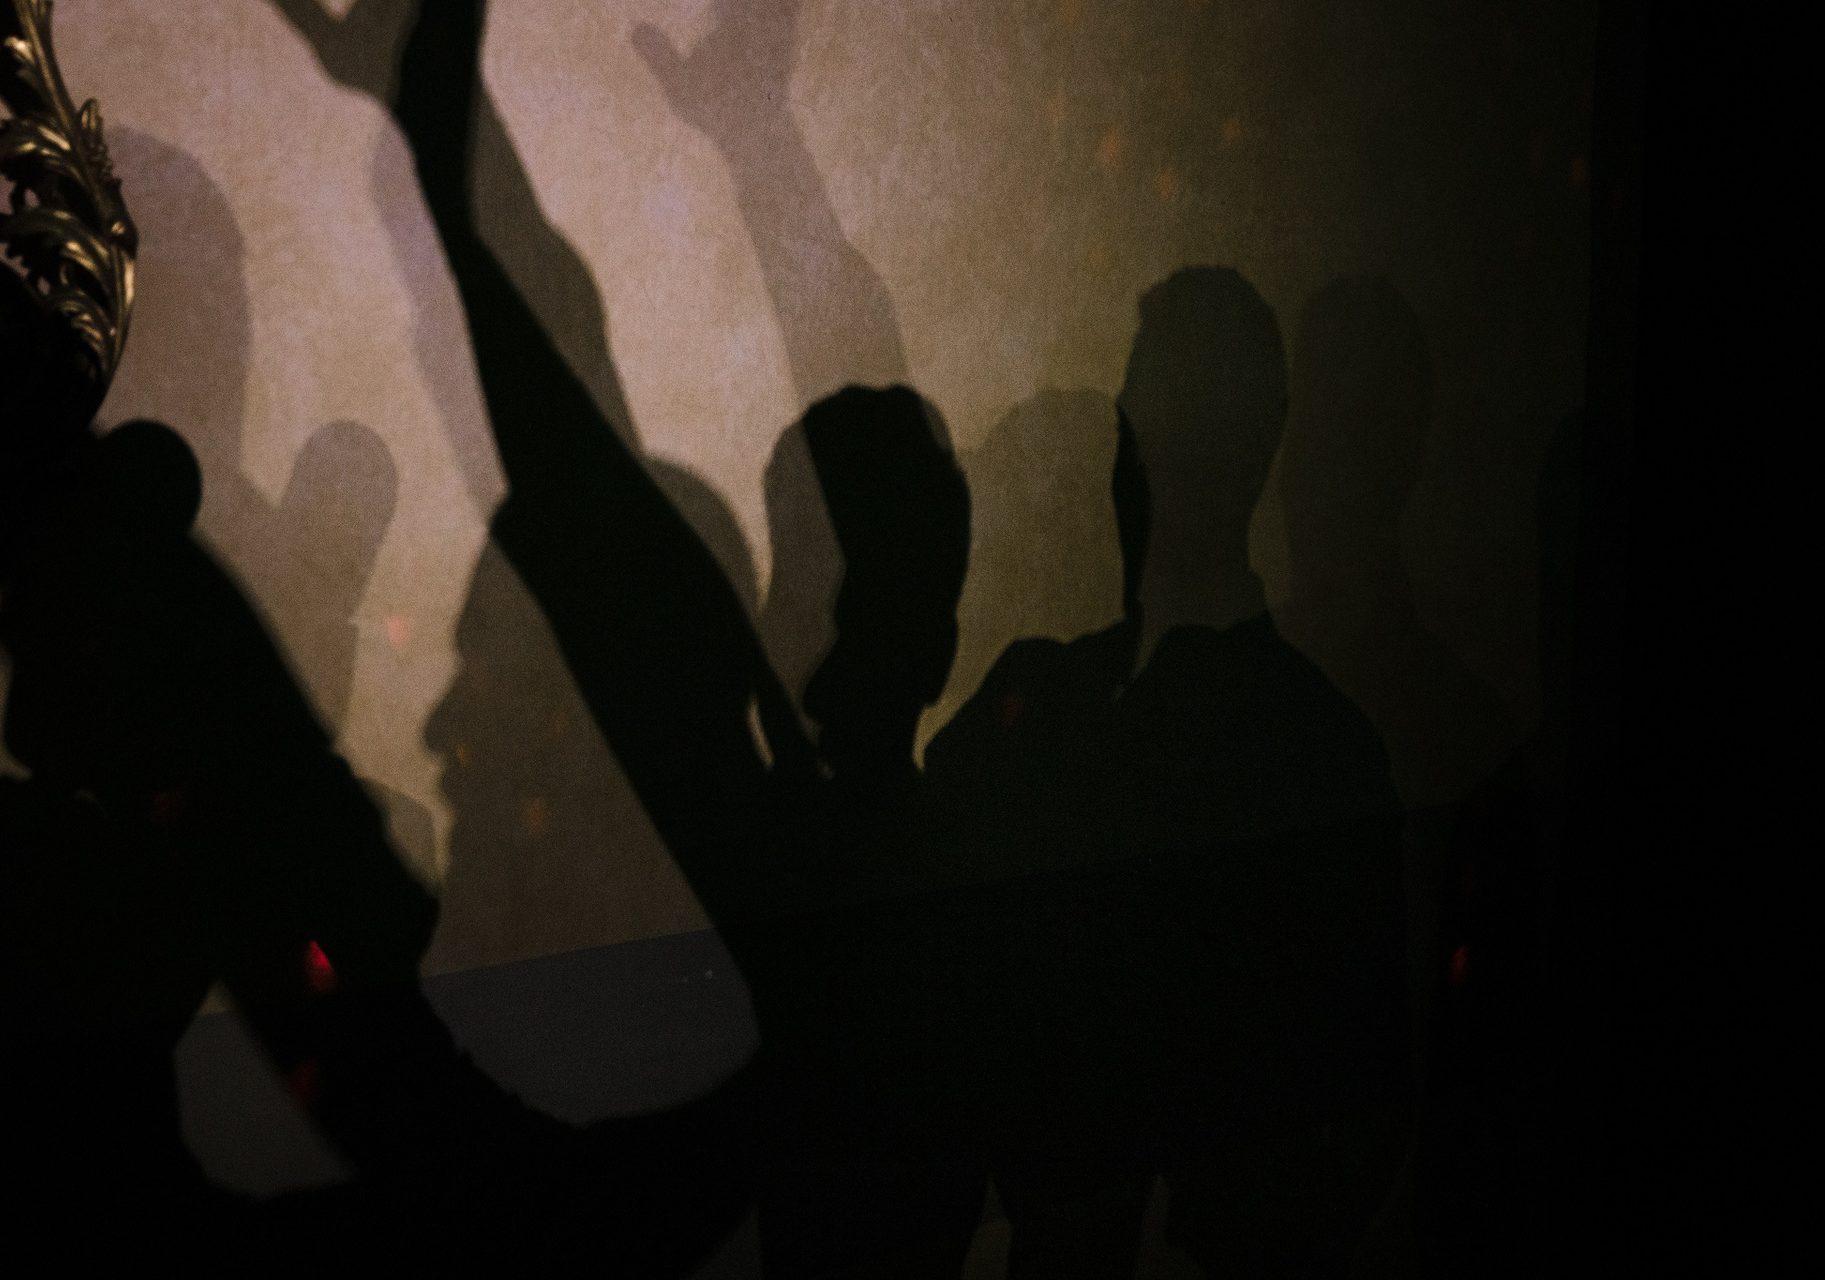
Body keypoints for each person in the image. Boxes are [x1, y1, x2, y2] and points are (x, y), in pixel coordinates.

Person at [390, 3, 995, 1273]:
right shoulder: (926, 849)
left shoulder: (780, 858)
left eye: (839, 591)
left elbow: (576, 434)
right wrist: (761, 150)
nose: (811, 630)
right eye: (801, 577)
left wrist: (444, 146)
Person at [929, 267, 1414, 1277]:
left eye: (1170, 426)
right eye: (1139, 424)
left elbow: (1357, 1116)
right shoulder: (1051, 693)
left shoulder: (1314, 752)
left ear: (1255, 448)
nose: (1145, 462)